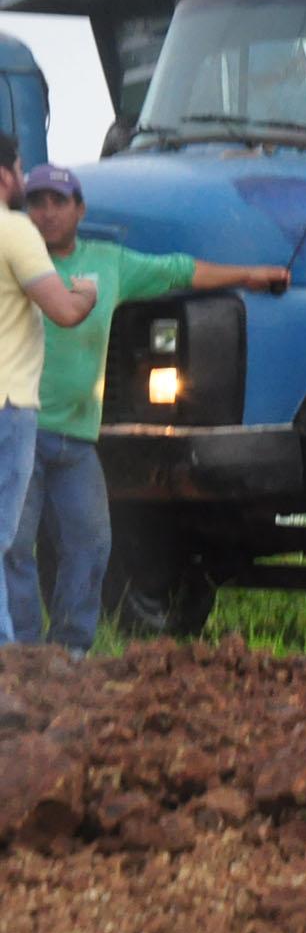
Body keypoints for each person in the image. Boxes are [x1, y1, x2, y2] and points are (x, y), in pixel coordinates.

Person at [9, 164, 288, 653]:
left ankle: (69, 651)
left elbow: (180, 270)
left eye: (58, 202)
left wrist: (250, 275)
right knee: (13, 546)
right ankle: (23, 654)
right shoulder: (17, 258)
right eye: (37, 202)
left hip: (77, 439)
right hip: (21, 431)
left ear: (80, 209)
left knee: (91, 545)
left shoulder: (109, 261)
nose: (47, 213)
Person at [0, 135, 98, 648]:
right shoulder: (14, 231)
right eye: (19, 173)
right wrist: (86, 291)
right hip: (10, 406)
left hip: (38, 421)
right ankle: (10, 651)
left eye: (57, 200)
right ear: (4, 177)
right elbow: (63, 312)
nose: (40, 209)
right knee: (4, 539)